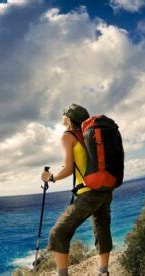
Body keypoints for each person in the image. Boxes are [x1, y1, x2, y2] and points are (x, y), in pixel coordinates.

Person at [41, 103, 113, 276]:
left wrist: (50, 178)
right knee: (102, 228)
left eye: (65, 115)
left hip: (88, 193)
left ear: (69, 119)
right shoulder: (92, 136)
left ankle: (62, 274)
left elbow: (67, 169)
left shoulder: (68, 136)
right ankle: (103, 271)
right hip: (105, 188)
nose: (62, 117)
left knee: (58, 232)